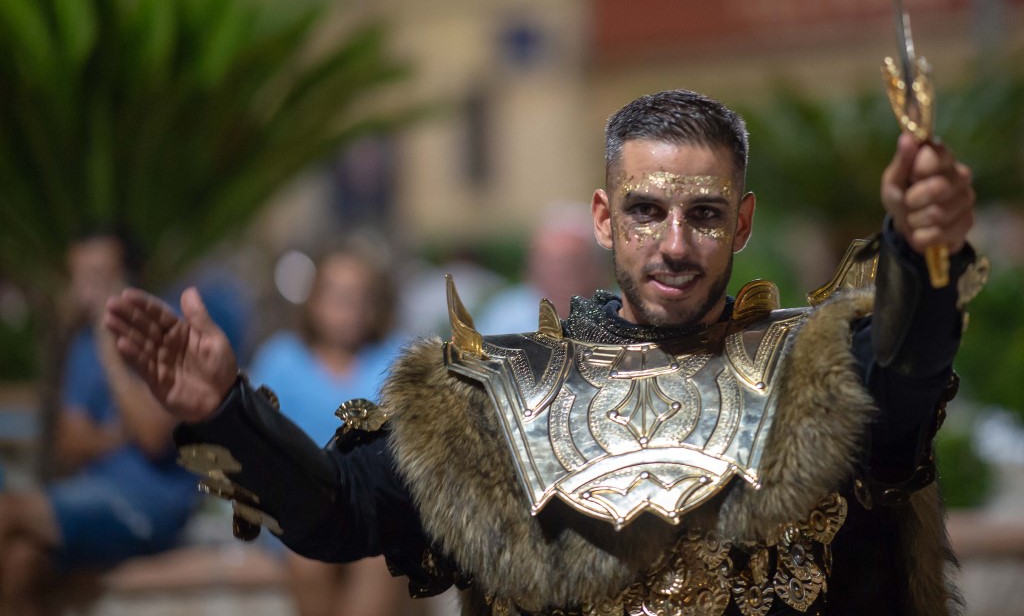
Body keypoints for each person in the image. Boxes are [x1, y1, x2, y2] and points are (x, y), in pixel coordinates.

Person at [104, 90, 982, 616]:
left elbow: (906, 376)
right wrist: (224, 411)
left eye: (705, 215)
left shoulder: (818, 373)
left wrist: (920, 250)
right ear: (605, 217)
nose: (675, 244)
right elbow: (341, 512)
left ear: (742, 223)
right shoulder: (489, 397)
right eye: (647, 211)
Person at [0, 233, 198, 616]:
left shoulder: (167, 336)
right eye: (78, 277)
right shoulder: (81, 347)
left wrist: (111, 354)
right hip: (88, 496)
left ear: (131, 278)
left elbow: (152, 436)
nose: (85, 290)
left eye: (97, 276)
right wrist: (121, 432)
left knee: (5, 511)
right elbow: (70, 442)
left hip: (148, 507)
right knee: (21, 565)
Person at [247, 241, 406, 616]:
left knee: (380, 559)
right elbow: (257, 440)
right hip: (300, 504)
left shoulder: (397, 358)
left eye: (357, 296)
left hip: (376, 505)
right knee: (307, 558)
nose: (346, 307)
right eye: (335, 294)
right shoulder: (280, 359)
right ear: (314, 300)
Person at [474, 202, 610, 335]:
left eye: (569, 264)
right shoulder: (504, 315)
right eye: (546, 264)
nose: (557, 275)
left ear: (597, 269)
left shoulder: (616, 314)